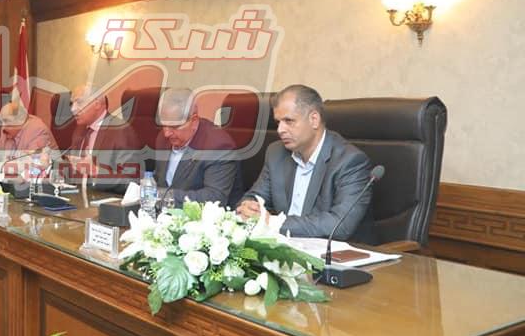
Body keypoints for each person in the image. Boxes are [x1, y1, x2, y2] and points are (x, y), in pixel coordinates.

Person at [235, 85, 375, 242]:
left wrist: (272, 222)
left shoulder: (350, 161)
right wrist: (249, 208)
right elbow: (254, 196)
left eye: (289, 121)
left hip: (335, 252)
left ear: (314, 119)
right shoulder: (276, 153)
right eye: (278, 122)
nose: (280, 130)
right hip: (285, 246)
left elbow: (340, 225)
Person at [154, 88, 244, 206]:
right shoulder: (163, 139)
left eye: (174, 127)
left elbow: (214, 197)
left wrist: (163, 196)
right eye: (164, 125)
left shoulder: (218, 146)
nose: (166, 133)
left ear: (194, 120)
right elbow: (160, 181)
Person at [65, 85, 143, 195]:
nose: (73, 109)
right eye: (72, 103)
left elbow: (131, 181)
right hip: (77, 197)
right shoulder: (79, 130)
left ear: (97, 104)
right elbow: (74, 172)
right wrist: (49, 166)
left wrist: (96, 172)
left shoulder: (120, 131)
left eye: (79, 102)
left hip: (104, 200)